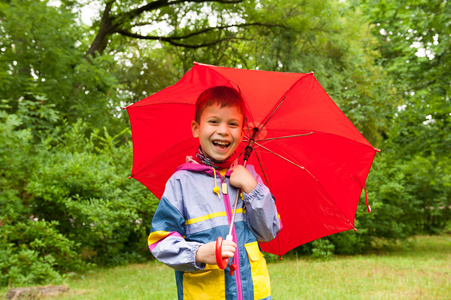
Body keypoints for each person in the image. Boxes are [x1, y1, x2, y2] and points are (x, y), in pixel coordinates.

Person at [148, 86, 282, 300]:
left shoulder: (249, 177)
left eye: (233, 124)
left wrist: (252, 189)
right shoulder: (181, 182)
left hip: (254, 295)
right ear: (196, 128)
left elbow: (268, 232)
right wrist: (199, 253)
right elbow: (160, 241)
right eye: (214, 121)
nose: (223, 131)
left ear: (243, 132)